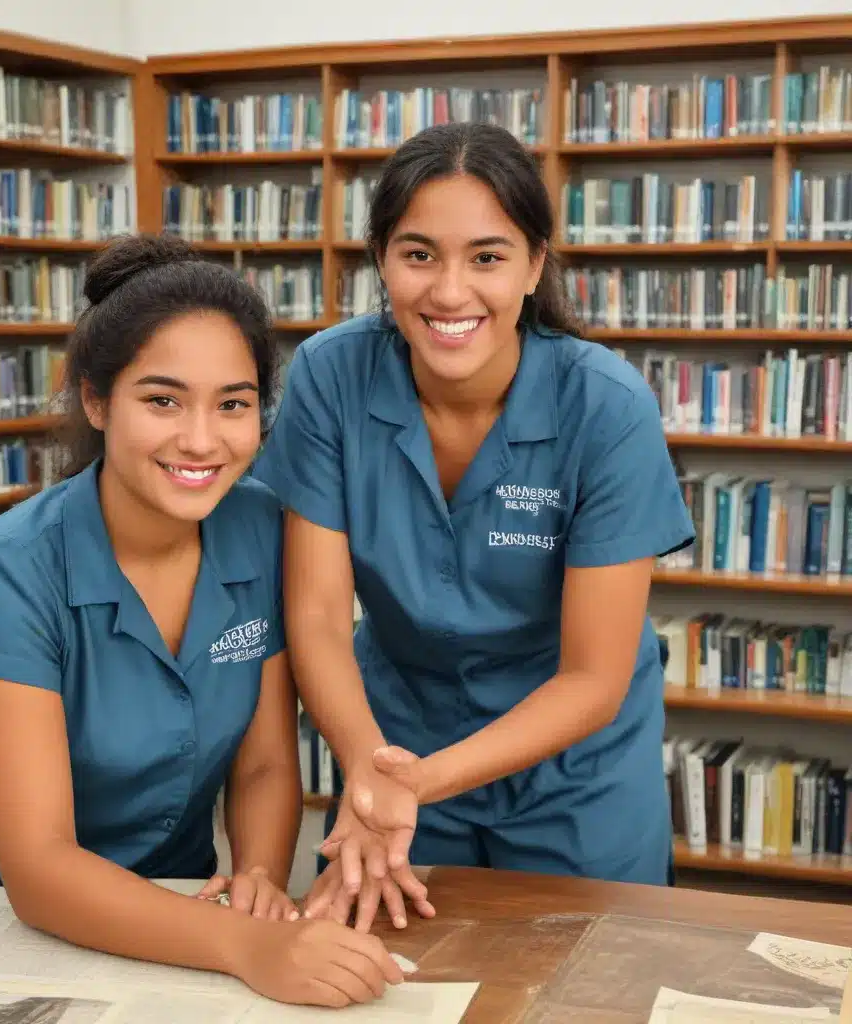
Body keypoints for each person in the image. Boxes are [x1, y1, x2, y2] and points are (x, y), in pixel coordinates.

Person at [0, 233, 406, 1009]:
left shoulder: (261, 528)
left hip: (183, 914)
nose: (202, 441)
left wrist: (260, 884)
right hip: (3, 928)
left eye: (234, 404)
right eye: (163, 400)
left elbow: (267, 763)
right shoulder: (8, 570)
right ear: (97, 400)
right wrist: (250, 944)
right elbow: (38, 871)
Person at [252, 121, 695, 932]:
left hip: (575, 777)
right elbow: (314, 612)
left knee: (584, 989)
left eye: (486, 257)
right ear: (381, 259)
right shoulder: (329, 375)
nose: (449, 292)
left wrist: (408, 785)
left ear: (534, 265)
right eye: (418, 254)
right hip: (389, 739)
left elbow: (593, 678)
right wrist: (366, 767)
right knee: (377, 981)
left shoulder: (606, 406)